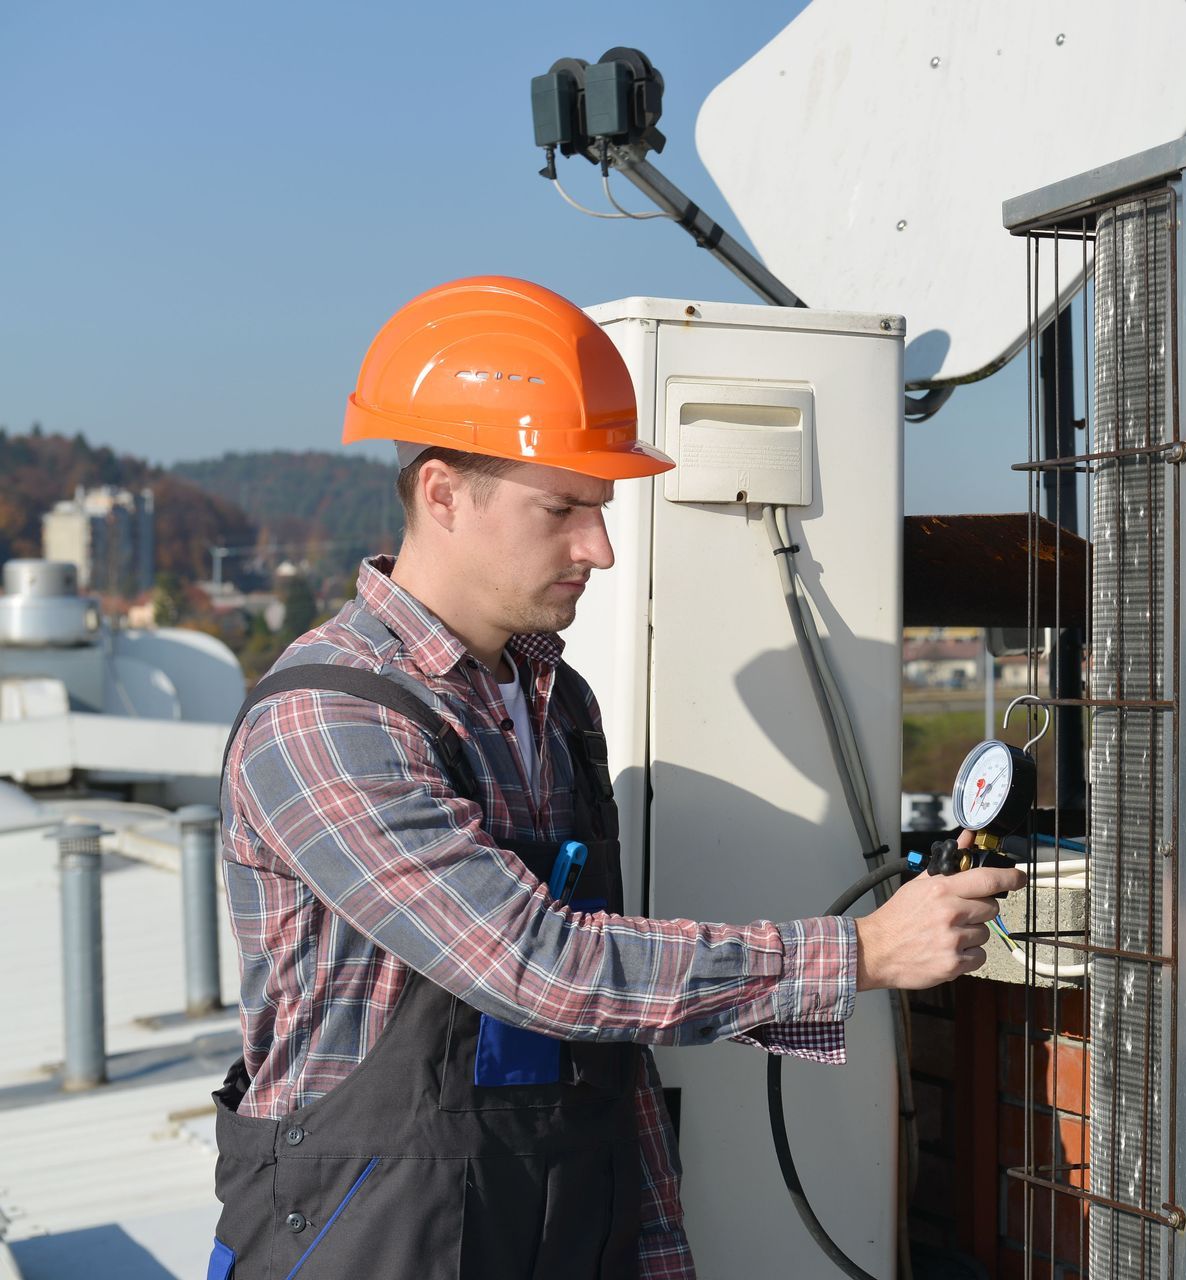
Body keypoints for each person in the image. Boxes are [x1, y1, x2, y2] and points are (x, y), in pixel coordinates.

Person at [208, 276, 1022, 1279]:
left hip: (556, 1219)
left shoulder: (559, 698)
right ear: (442, 492)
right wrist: (856, 951)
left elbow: (604, 1049)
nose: (596, 545)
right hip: (367, 1237)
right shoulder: (328, 719)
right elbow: (538, 965)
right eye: (562, 509)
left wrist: (656, 1252)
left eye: (598, 510)